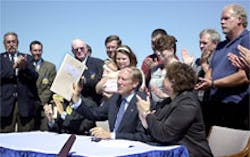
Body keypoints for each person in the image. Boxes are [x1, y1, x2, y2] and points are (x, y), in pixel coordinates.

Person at [136, 62, 213, 157]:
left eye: (165, 77)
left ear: (173, 81)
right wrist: (147, 122)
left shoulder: (188, 104)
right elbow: (156, 127)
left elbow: (164, 134)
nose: (162, 81)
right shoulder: (168, 101)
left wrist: (147, 113)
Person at [195, 4, 250, 130]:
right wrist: (206, 81)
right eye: (221, 19)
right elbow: (211, 70)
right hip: (213, 106)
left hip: (235, 107)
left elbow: (244, 76)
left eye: (226, 18)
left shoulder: (247, 40)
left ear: (239, 20)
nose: (221, 22)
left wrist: (213, 83)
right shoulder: (220, 46)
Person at [72, 67, 151, 142]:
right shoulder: (115, 98)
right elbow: (95, 114)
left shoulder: (143, 102)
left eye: (123, 79)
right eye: (118, 78)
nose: (119, 82)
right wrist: (77, 99)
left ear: (135, 83)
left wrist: (111, 135)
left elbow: (142, 136)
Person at [0, 32, 39, 132]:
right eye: (8, 42)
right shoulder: (0, 59)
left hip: (25, 105)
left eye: (14, 41)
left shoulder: (27, 58)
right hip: (5, 105)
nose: (11, 44)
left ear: (18, 43)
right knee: (5, 138)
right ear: (4, 44)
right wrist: (14, 67)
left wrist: (25, 67)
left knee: (26, 138)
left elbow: (35, 76)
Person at [29, 40, 57, 131]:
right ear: (30, 51)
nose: (37, 53)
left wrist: (40, 102)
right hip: (28, 109)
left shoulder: (50, 67)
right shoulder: (26, 66)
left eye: (39, 50)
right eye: (35, 50)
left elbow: (51, 87)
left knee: (44, 135)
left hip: (44, 108)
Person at [71, 38, 104, 105]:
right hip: (75, 106)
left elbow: (101, 83)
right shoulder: (68, 65)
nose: (79, 51)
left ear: (86, 49)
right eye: (76, 49)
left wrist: (85, 81)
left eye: (81, 48)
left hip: (94, 105)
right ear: (72, 51)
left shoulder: (98, 63)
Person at [148, 35, 178, 106]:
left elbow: (182, 95)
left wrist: (164, 96)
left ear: (171, 50)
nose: (158, 53)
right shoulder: (155, 69)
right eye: (157, 50)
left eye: (161, 50)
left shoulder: (179, 68)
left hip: (172, 107)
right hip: (156, 108)